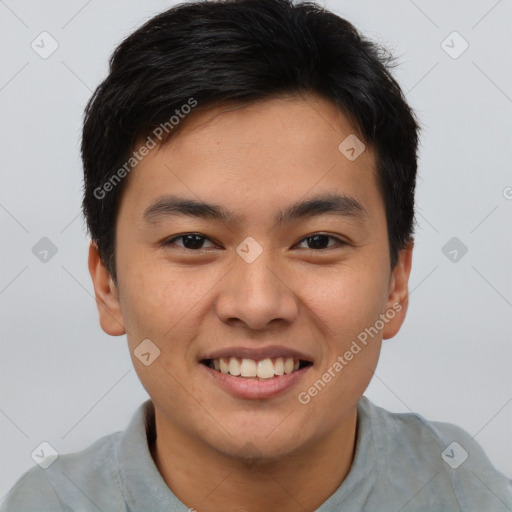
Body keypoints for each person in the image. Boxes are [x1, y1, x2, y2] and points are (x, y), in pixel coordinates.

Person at [2, 0, 511, 510]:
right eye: (193, 241)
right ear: (107, 284)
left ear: (396, 283)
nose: (257, 303)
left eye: (318, 241)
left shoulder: (467, 493)